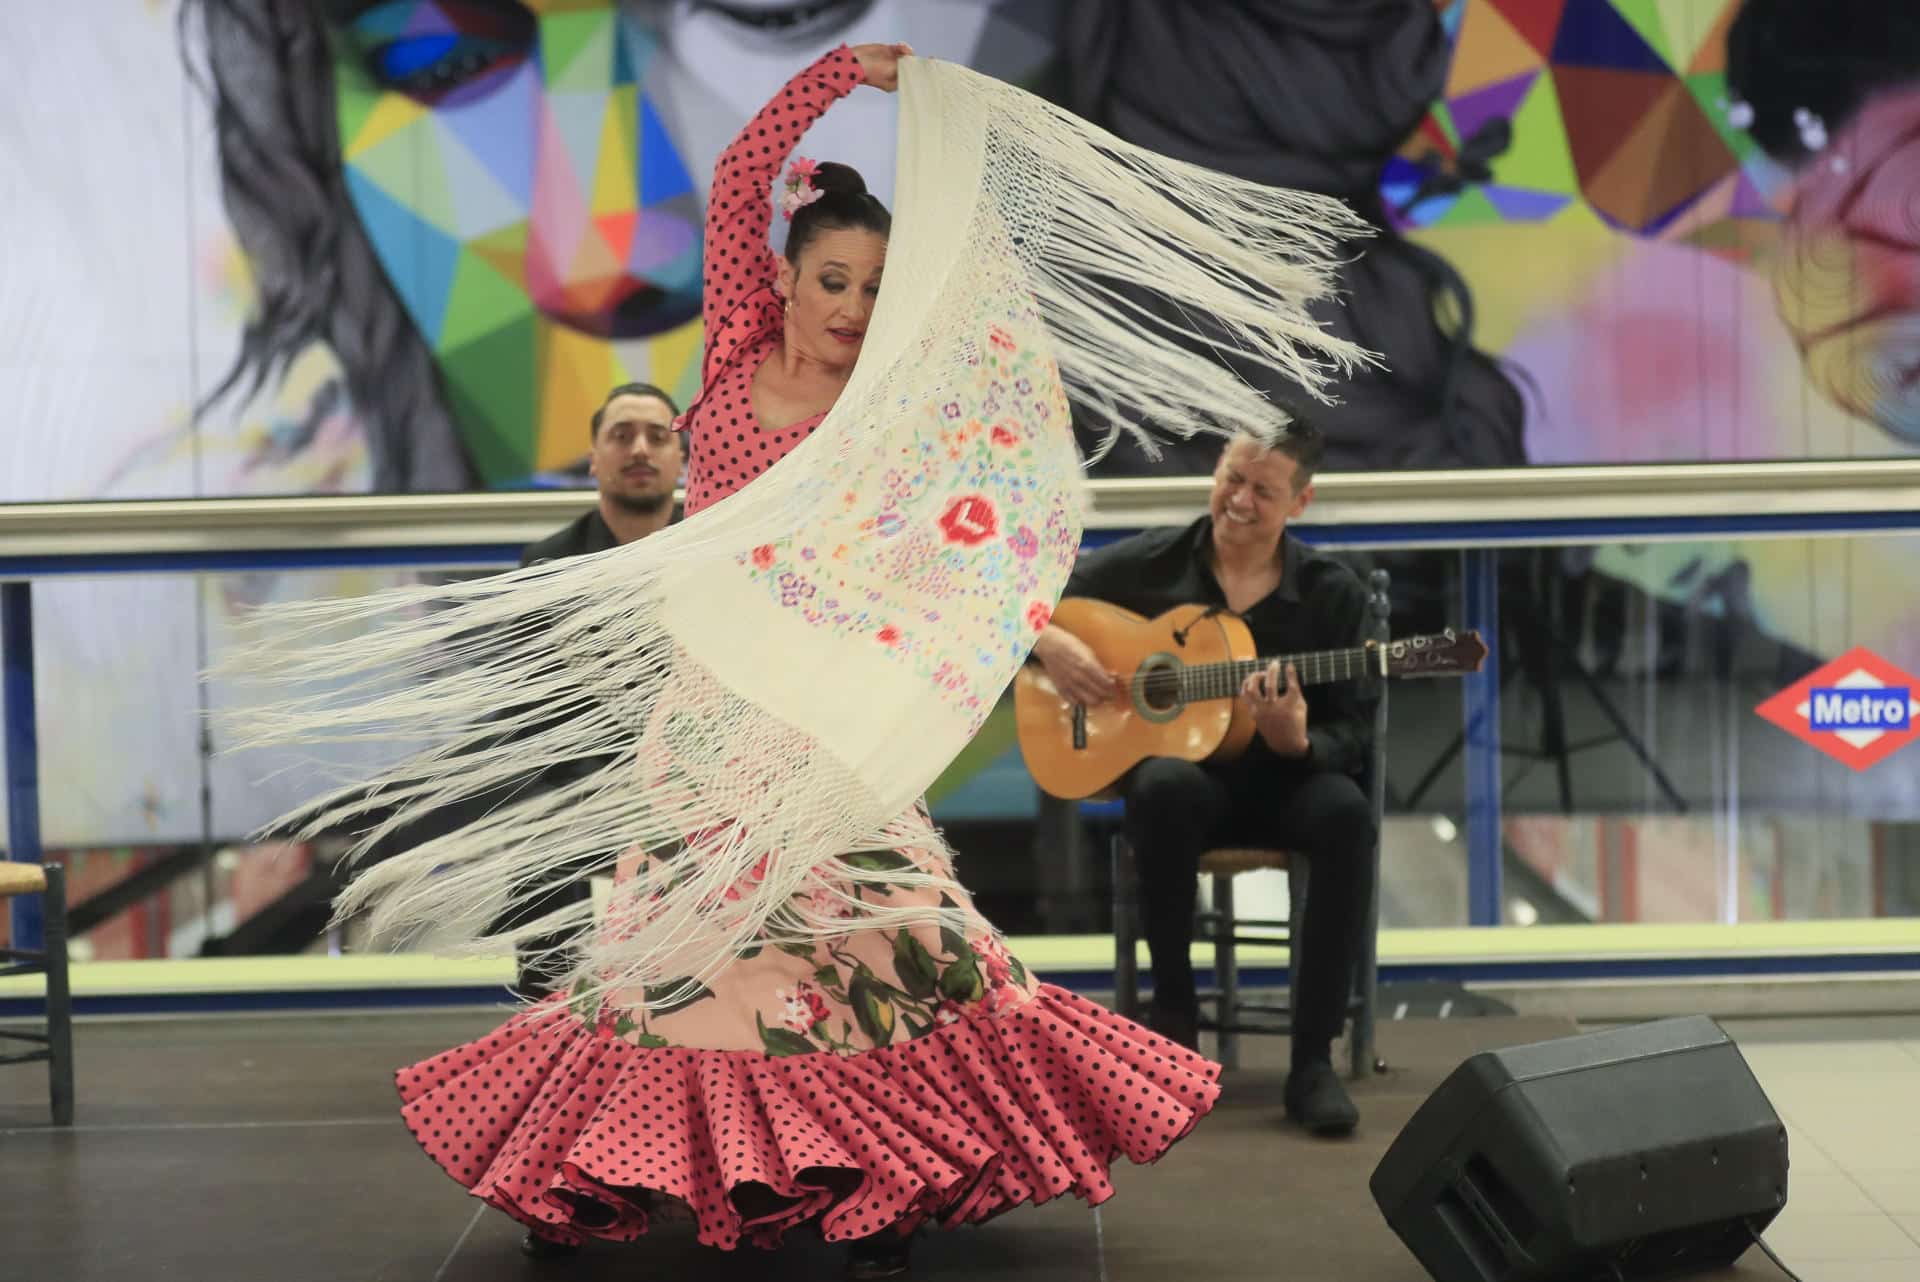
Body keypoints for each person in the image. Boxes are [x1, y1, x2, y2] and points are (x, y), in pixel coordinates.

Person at [385, 44, 1222, 1281]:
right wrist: (837, 75)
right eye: (832, 278)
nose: (849, 306)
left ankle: (869, 1183)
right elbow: (738, 178)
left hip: (833, 716)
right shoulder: (729, 354)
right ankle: (592, 1177)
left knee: (889, 941)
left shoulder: (881, 415)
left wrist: (1036, 636)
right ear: (781, 276)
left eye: (876, 290)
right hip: (715, 715)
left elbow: (940, 559)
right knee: (671, 957)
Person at [1029, 422, 1376, 1136]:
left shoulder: (1331, 595)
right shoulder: (1148, 566)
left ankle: (1313, 1062)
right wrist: (1053, 642)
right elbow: (1017, 603)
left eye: (1263, 491)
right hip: (1191, 798)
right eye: (1231, 479)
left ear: (1300, 504)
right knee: (1162, 785)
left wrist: (1297, 738)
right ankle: (1173, 1029)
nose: (1240, 501)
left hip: (1288, 788)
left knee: (1347, 813)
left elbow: (1356, 736)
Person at [502, 383, 686, 1000]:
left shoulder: (715, 554)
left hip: (697, 790)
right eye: (621, 435)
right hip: (583, 792)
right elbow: (525, 719)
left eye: (658, 437)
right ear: (593, 457)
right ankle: (550, 1025)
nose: (640, 449)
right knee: (535, 832)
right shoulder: (547, 567)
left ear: (682, 455)